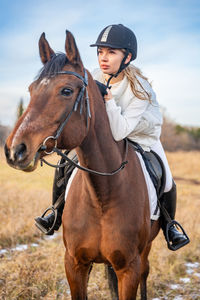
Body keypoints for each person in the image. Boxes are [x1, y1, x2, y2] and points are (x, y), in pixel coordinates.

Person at [35, 24, 189, 250]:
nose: (103, 58)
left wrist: (107, 99)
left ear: (127, 57)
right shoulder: (95, 76)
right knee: (65, 164)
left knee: (166, 178)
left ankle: (170, 225)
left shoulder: (140, 88)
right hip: (107, 136)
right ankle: (55, 211)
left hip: (141, 136)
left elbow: (121, 130)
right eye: (100, 52)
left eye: (111, 52)